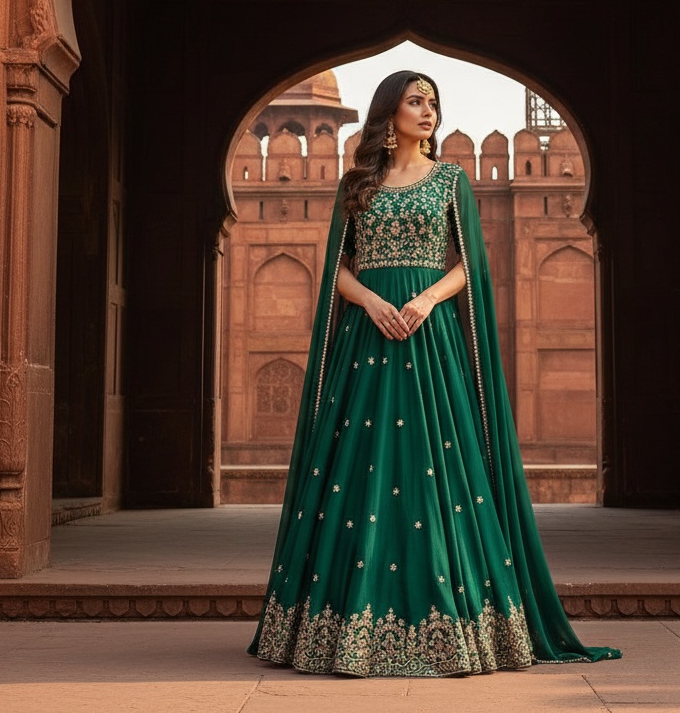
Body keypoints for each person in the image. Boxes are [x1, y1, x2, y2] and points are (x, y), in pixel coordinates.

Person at [248, 70, 621, 676]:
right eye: (416, 101)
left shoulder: (450, 180)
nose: (428, 111)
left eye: (433, 103)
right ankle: (343, 628)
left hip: (428, 338)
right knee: (359, 473)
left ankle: (453, 622)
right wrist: (372, 302)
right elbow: (336, 270)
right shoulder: (357, 184)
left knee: (436, 468)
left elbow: (471, 265)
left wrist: (425, 299)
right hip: (367, 342)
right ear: (388, 111)